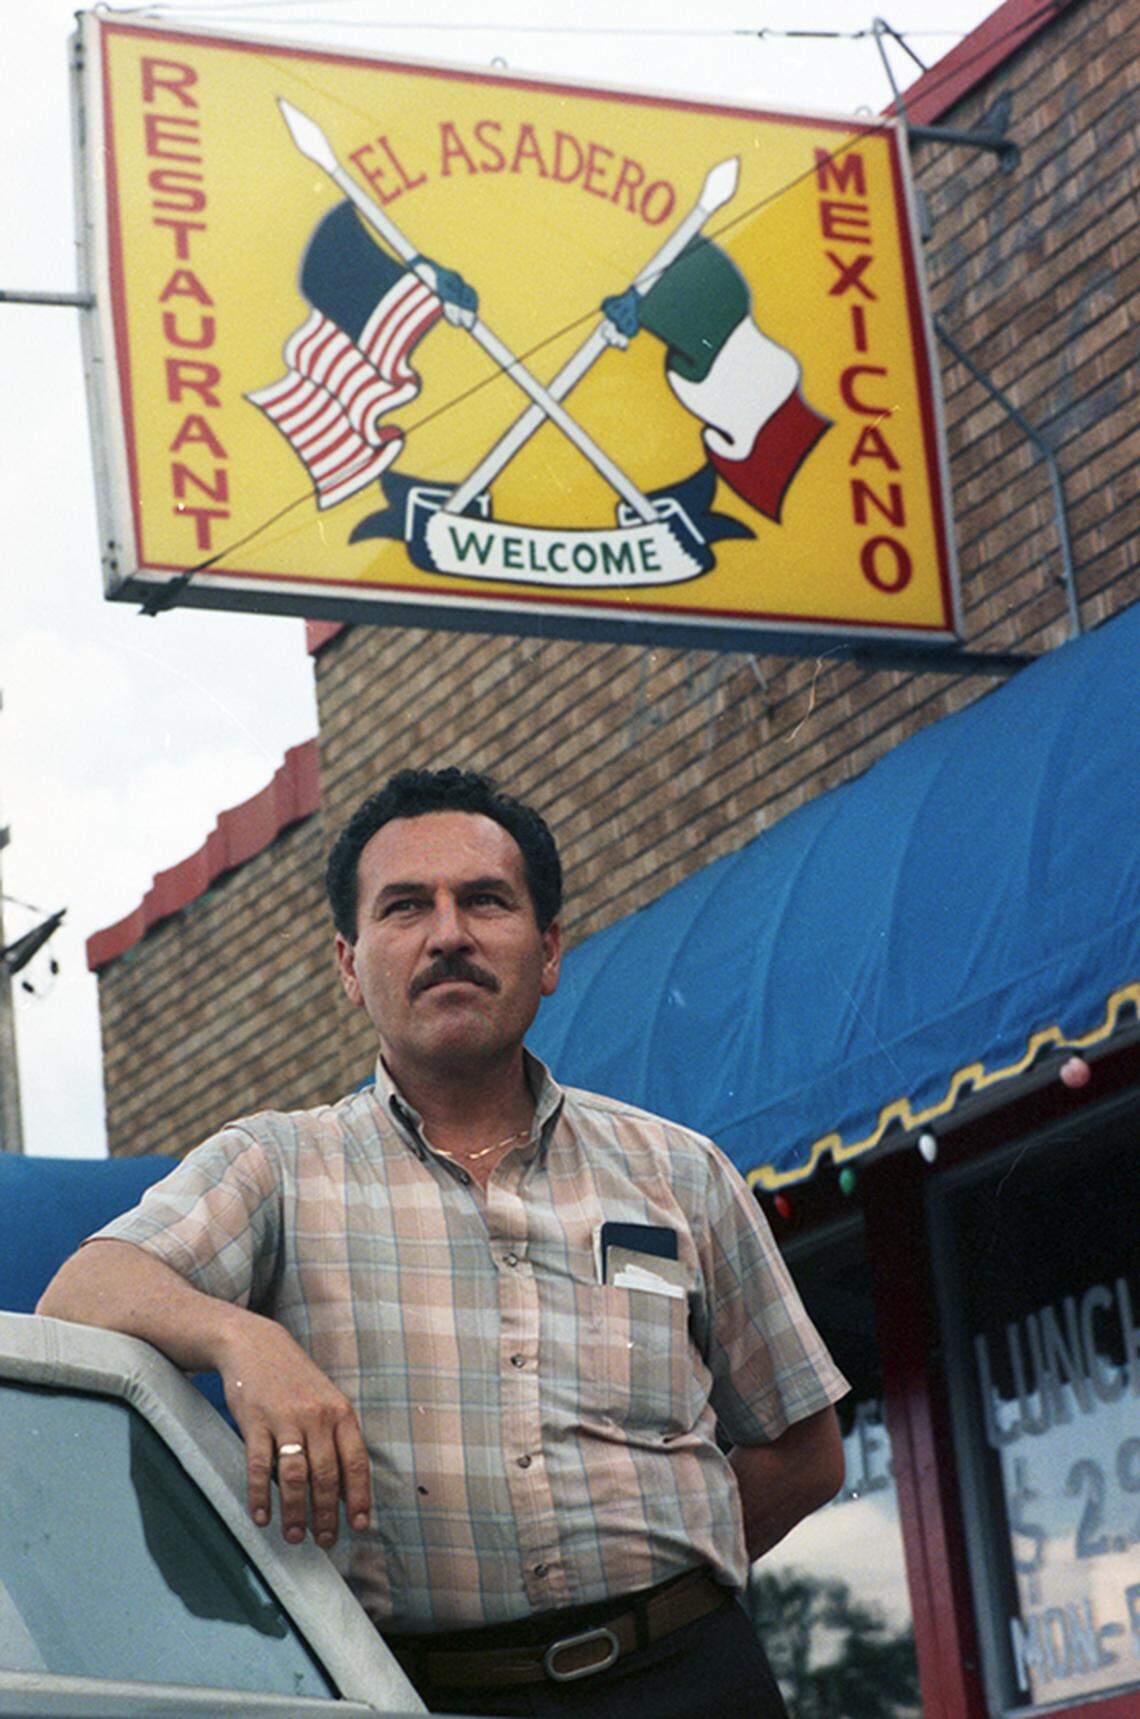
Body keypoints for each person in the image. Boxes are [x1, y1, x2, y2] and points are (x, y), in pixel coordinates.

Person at [38, 766, 848, 1716]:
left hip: (691, 1680)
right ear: (350, 965)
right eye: (406, 907)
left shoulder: (680, 1171)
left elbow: (806, 1451)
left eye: (485, 901)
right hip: (417, 1694)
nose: (449, 933)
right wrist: (241, 1337)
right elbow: (82, 1290)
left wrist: (668, 1583)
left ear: (548, 953)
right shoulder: (277, 1167)